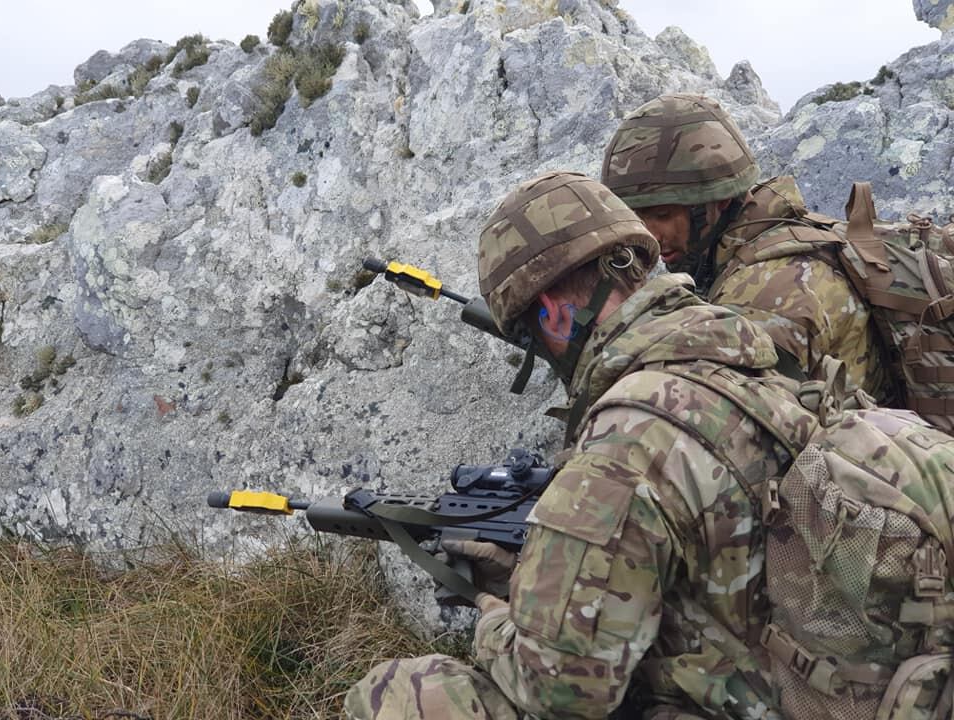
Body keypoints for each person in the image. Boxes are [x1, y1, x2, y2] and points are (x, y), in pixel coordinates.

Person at [345, 170, 814, 719]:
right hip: (808, 682)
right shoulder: (756, 367)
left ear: (557, 312)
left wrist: (494, 615)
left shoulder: (627, 443)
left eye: (528, 334)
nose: (538, 347)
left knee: (403, 694)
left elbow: (561, 689)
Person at [601, 93, 893, 404]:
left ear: (719, 201)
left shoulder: (765, 294)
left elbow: (733, 422)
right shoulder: (753, 245)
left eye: (663, 215)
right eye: (635, 217)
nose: (649, 235)